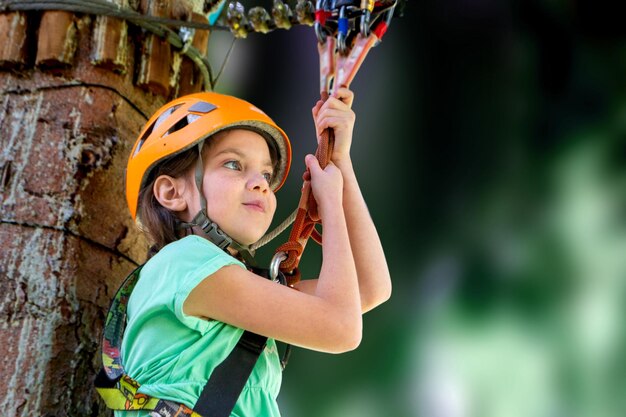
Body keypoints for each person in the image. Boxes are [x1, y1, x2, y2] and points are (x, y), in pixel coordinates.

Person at [118, 87, 391, 416]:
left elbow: (368, 287)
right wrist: (330, 203)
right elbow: (341, 327)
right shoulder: (185, 262)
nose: (261, 183)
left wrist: (341, 164)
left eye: (264, 174)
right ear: (171, 192)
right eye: (233, 164)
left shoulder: (224, 285)